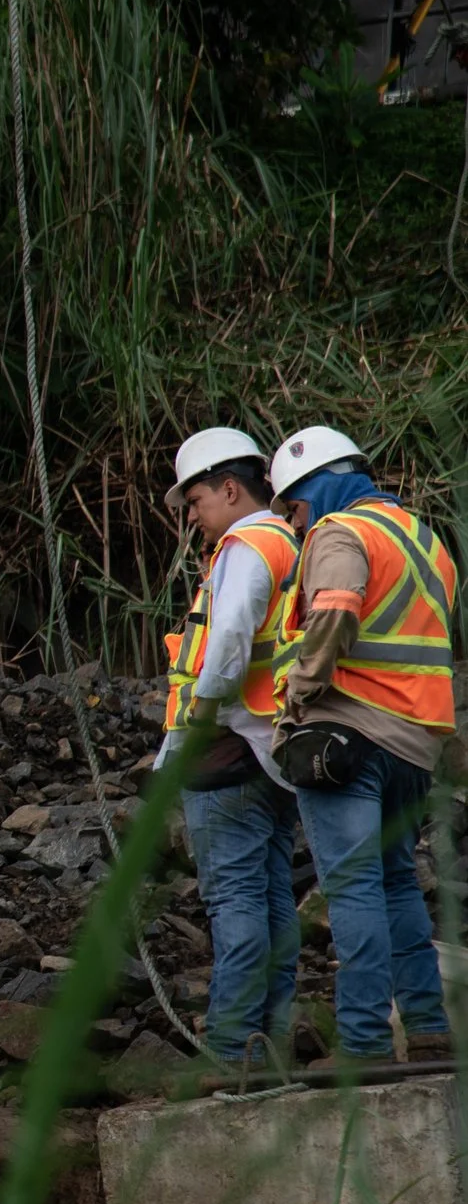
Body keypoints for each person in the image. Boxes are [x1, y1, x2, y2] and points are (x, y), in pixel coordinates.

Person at [268, 426, 458, 1067]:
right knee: (398, 884)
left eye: (295, 509)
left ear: (317, 487)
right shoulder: (425, 540)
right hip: (414, 743)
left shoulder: (341, 531)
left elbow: (337, 606)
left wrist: (300, 690)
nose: (297, 524)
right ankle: (428, 1029)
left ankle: (366, 1042)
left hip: (347, 736)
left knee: (353, 888)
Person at [155, 430, 305, 1070]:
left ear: (229, 488)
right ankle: (272, 1043)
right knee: (272, 902)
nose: (192, 516)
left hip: (229, 751)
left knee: (236, 901)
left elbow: (229, 642)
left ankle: (230, 1051)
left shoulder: (246, 546)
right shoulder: (290, 542)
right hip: (274, 751)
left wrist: (196, 726)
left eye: (195, 501)